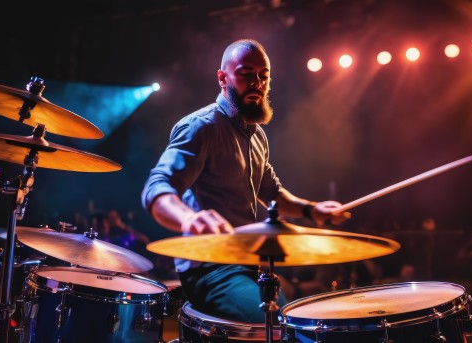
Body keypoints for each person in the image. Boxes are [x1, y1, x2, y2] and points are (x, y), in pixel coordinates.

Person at [141, 38, 349, 324]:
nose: (257, 83)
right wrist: (190, 220)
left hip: (247, 265)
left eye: (263, 76)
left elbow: (271, 191)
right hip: (210, 270)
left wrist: (312, 210)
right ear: (222, 78)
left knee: (300, 325)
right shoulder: (201, 127)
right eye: (246, 74)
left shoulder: (257, 135)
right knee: (278, 328)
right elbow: (158, 188)